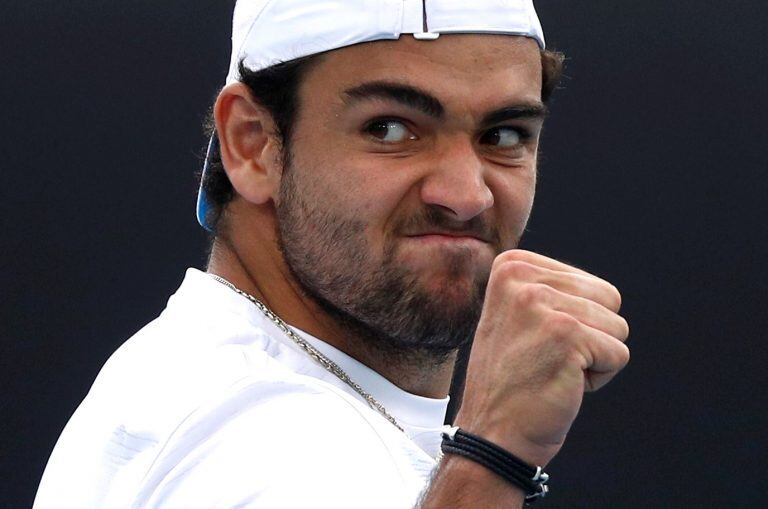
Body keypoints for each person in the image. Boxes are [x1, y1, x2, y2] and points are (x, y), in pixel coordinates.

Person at [34, 1, 630, 507]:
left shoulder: (236, 385)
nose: (466, 196)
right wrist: (491, 458)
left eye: (503, 136)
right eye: (391, 129)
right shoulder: (264, 438)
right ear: (252, 144)